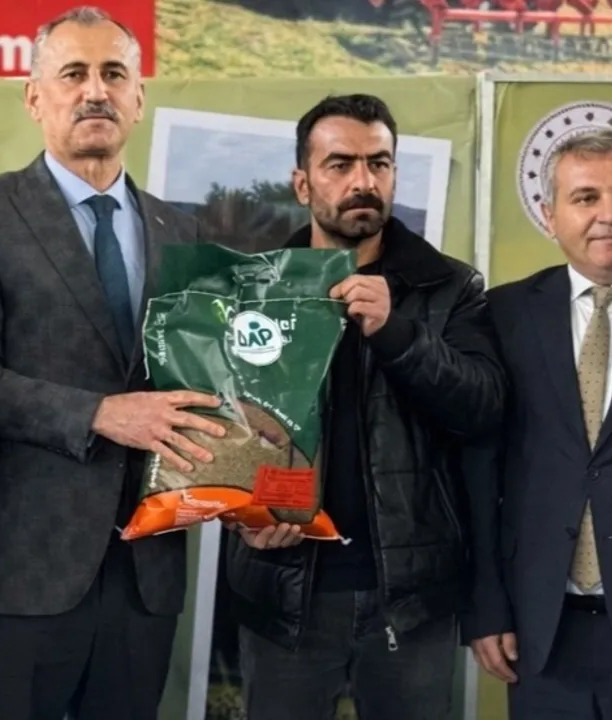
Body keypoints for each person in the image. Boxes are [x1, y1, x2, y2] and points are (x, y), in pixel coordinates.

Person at [0, 7, 218, 720]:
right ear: (34, 98)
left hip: (144, 578)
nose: (96, 91)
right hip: (13, 570)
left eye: (114, 74)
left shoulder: (184, 231)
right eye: (74, 74)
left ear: (138, 99)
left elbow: (205, 384)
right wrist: (98, 415)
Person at [223, 93, 505, 720]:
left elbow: (483, 409)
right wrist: (240, 514)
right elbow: (219, 425)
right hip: (283, 589)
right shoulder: (248, 290)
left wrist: (398, 333)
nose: (363, 181)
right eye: (340, 164)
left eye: (379, 163)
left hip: (410, 598)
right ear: (303, 183)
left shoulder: (450, 287)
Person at [462, 127, 612, 717]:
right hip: (541, 635)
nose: (610, 214)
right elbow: (481, 471)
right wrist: (486, 606)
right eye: (586, 197)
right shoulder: (502, 315)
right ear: (550, 217)